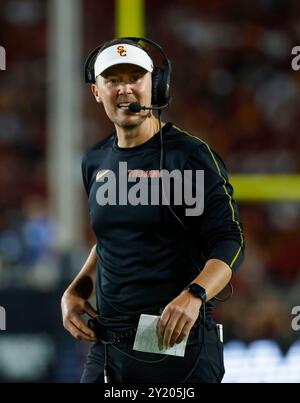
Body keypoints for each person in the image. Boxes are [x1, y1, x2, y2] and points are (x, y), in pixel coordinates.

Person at [61, 37, 245, 383]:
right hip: (109, 348)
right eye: (113, 80)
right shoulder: (94, 161)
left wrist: (195, 294)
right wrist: (78, 287)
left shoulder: (191, 157)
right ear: (97, 92)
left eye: (135, 77)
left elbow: (230, 240)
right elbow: (110, 238)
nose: (124, 88)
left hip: (176, 345)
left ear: (156, 86)